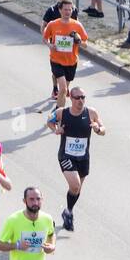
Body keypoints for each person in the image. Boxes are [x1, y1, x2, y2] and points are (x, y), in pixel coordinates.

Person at [46, 85, 106, 233]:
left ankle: (68, 211)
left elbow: (103, 129)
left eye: (83, 97)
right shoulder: (62, 112)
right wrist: (56, 130)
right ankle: (69, 212)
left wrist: (98, 129)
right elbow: (49, 120)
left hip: (83, 157)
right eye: (77, 98)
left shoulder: (91, 113)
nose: (81, 101)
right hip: (66, 155)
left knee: (77, 188)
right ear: (70, 98)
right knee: (75, 185)